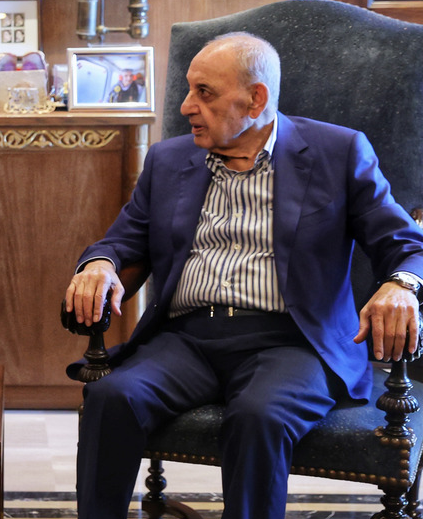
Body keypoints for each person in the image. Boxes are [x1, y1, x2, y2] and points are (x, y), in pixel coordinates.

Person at [64, 32, 423, 519]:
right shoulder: (169, 159)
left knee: (258, 416)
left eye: (204, 92)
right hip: (187, 338)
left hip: (294, 342)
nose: (187, 106)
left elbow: (405, 244)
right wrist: (100, 265)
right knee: (112, 397)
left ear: (256, 99)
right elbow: (123, 240)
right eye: (189, 89)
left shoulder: (338, 152)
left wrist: (402, 285)